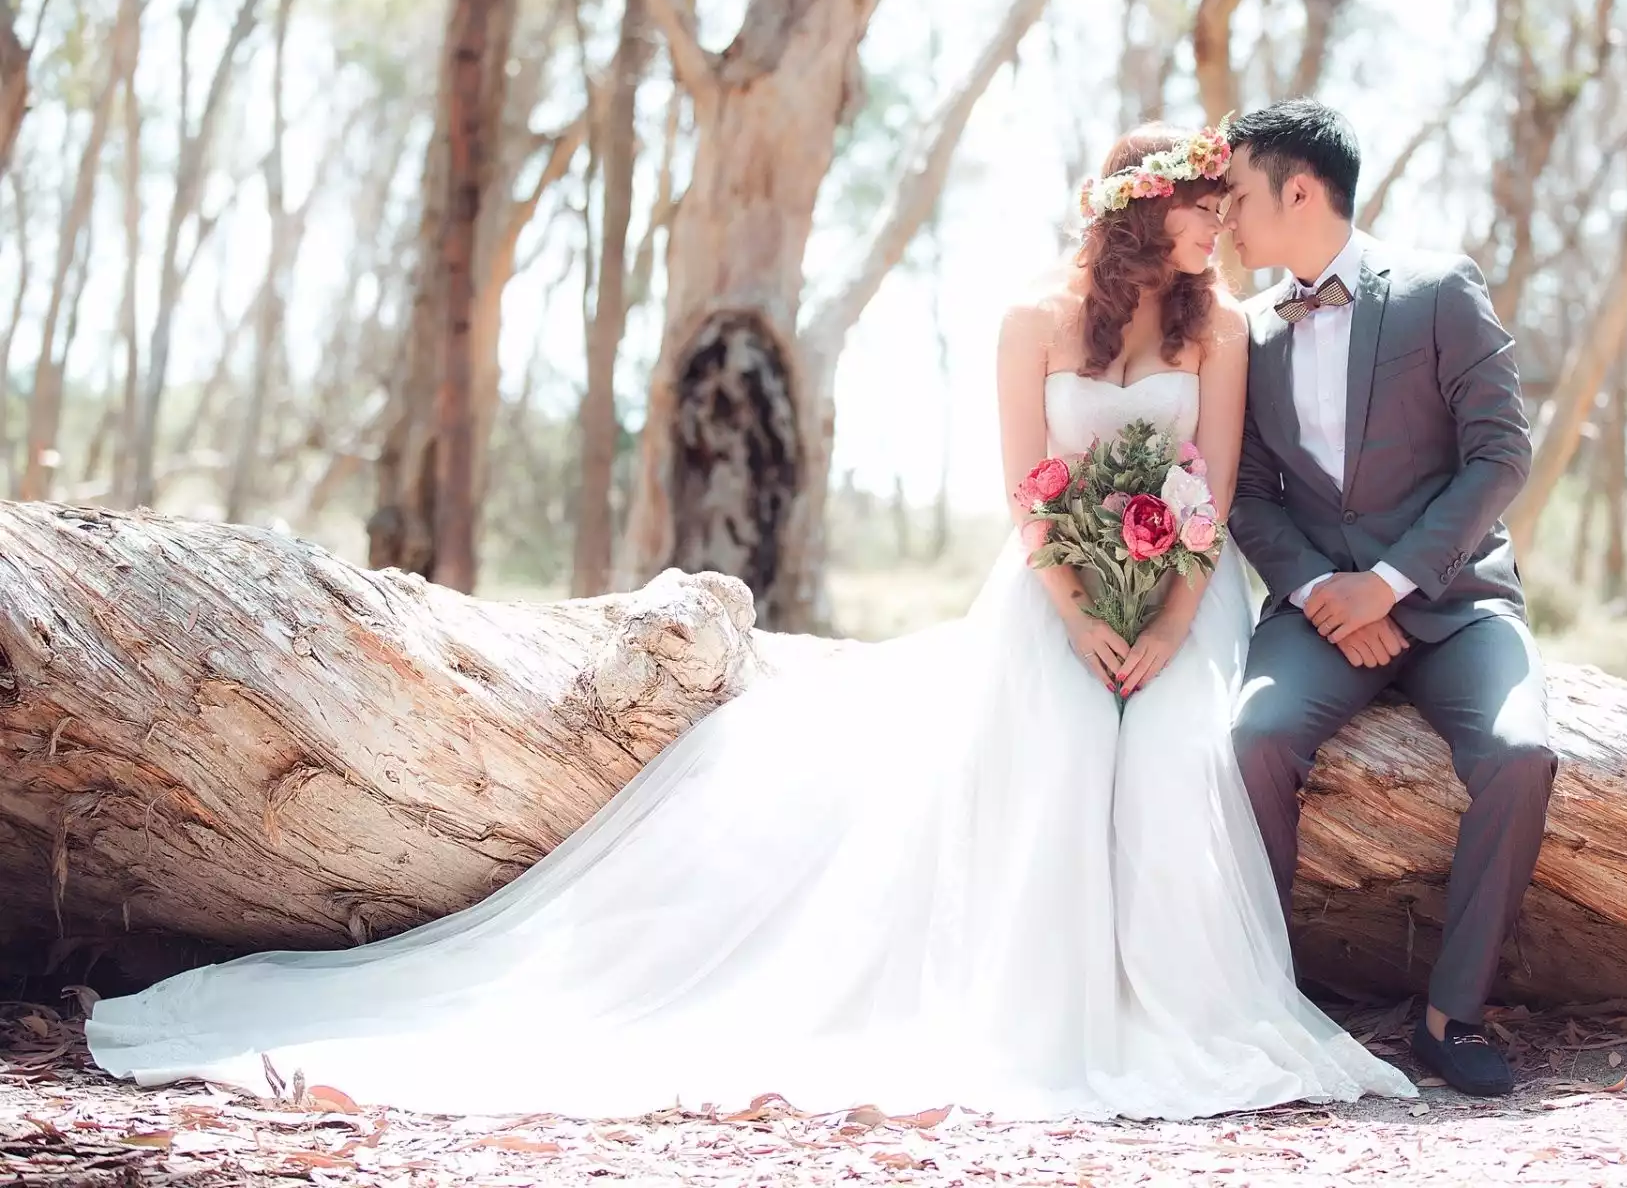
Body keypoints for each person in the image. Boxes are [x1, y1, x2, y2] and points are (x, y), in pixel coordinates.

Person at [86, 121, 1413, 1121]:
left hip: (1183, 594)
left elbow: (1212, 487)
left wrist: (1168, 627)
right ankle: (1048, 1021)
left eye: (1224, 211)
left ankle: (1184, 1013)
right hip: (1055, 592)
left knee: (1177, 761)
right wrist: (1079, 617)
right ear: (1143, 211)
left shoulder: (1219, 331)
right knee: (1059, 749)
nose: (1220, 230)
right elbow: (1027, 492)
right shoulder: (1033, 320)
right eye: (1202, 209)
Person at [1220, 98, 1557, 1097]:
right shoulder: (1247, 334)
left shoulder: (1439, 289)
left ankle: (1452, 1014)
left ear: (1297, 191)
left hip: (1457, 603)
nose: (1225, 217)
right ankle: (1268, 1000)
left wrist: (1391, 586)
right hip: (1320, 613)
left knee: (1521, 754)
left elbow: (1501, 454)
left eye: (1236, 195)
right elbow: (1247, 496)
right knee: (1252, 737)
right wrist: (1327, 591)